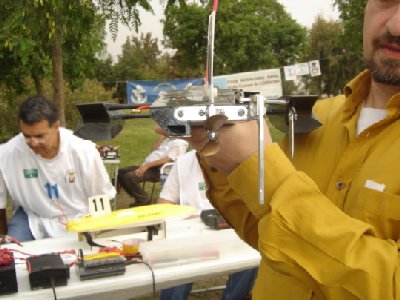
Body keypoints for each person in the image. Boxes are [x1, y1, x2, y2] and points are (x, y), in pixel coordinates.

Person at [183, 1, 400, 299]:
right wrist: (221, 155)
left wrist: (266, 174)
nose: (396, 25)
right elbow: (265, 233)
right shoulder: (315, 118)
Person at [0, 95, 116, 241]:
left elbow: (102, 198)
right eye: (27, 136)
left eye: (40, 136)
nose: (33, 142)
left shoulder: (83, 151)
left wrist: (101, 236)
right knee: (13, 255)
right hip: (32, 218)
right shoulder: (6, 154)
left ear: (56, 126)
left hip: (78, 216)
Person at [158, 150, 258, 300]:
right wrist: (187, 217)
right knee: (178, 262)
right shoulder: (184, 162)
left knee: (252, 256)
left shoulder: (238, 161)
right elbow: (164, 203)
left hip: (231, 230)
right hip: (192, 233)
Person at [117, 127, 188, 206]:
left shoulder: (180, 143)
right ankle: (137, 194)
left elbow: (168, 159)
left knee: (130, 177)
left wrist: (147, 166)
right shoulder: (168, 140)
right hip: (148, 166)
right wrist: (160, 139)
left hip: (158, 170)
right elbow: (153, 151)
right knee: (121, 172)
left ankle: (143, 199)